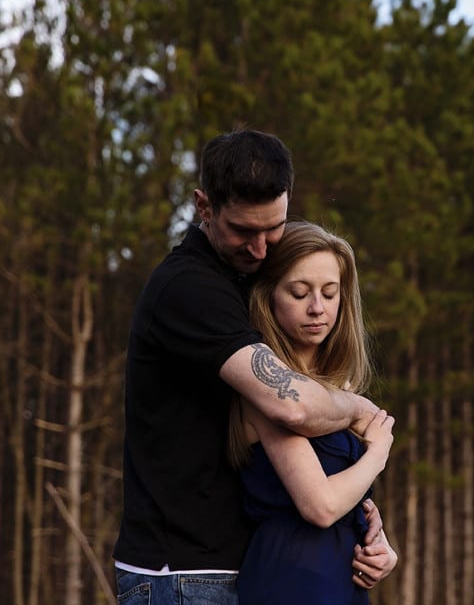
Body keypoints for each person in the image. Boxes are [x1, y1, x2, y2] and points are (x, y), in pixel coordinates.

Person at [113, 130, 397, 604]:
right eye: (245, 231)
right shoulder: (190, 289)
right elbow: (295, 409)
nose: (262, 249)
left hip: (234, 565)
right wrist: (360, 412)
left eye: (274, 228)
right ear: (203, 207)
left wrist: (371, 531)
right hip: (181, 574)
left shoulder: (240, 280)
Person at [227, 221, 396, 604]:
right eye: (299, 293)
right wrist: (379, 452)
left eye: (330, 293)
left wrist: (382, 547)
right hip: (291, 576)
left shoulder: (341, 390)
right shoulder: (269, 392)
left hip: (341, 577)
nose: (317, 308)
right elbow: (319, 505)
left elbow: (349, 495)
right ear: (269, 297)